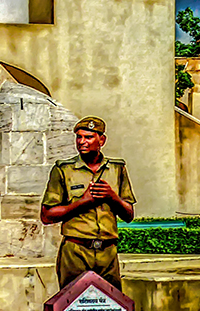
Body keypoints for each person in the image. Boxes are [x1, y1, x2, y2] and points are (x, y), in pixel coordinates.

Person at [39, 116, 135, 291]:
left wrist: (112, 197)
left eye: (88, 137)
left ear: (101, 140)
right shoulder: (63, 170)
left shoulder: (116, 169)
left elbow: (129, 215)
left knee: (111, 308)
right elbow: (46, 215)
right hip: (76, 251)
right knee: (73, 307)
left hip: (108, 253)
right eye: (79, 137)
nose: (82, 142)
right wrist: (82, 202)